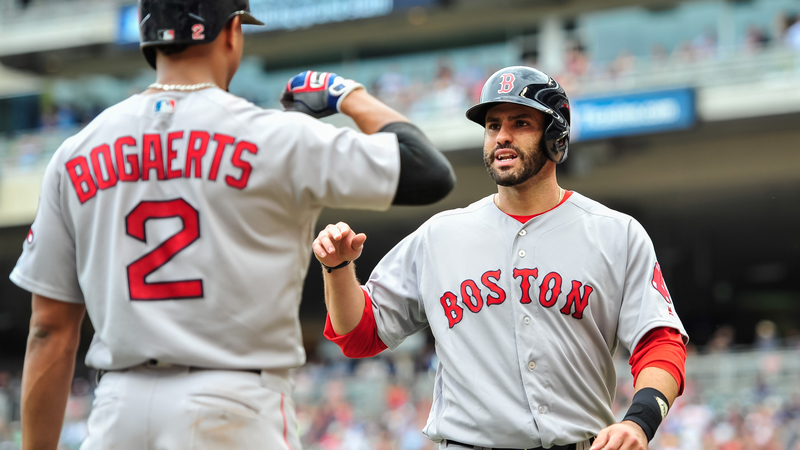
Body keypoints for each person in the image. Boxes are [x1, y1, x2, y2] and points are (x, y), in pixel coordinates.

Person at [9, 0, 454, 449]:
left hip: (118, 410)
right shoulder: (274, 134)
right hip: (233, 402)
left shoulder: (74, 153)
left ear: (148, 40)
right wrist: (346, 94)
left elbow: (48, 330)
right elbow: (428, 172)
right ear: (230, 33)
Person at [313, 66, 688, 450]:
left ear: (555, 135)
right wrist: (337, 268)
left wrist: (640, 422)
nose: (502, 136)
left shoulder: (615, 233)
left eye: (520, 123)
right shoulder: (440, 235)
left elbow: (660, 343)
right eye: (493, 125)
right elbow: (359, 335)